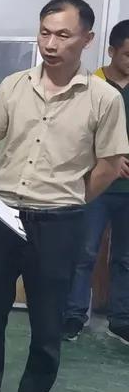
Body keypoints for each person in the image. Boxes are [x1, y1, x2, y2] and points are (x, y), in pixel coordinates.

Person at [0, 0, 129, 392]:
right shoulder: (13, 86)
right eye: (45, 33)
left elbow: (110, 164)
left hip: (59, 222)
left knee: (48, 322)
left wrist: (73, 199)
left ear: (86, 39)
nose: (50, 43)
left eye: (63, 35)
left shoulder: (104, 98)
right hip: (2, 214)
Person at [64, 19, 129, 344]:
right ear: (111, 51)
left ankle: (122, 320)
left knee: (126, 258)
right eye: (128, 54)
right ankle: (73, 316)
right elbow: (76, 134)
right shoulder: (91, 85)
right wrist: (108, 161)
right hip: (96, 184)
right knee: (84, 252)